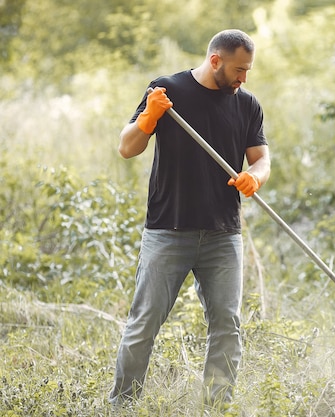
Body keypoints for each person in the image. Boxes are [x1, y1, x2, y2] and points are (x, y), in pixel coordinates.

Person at [109, 29, 270, 408]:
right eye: (238, 70)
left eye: (247, 70)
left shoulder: (247, 105)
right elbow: (127, 148)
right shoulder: (167, 90)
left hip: (223, 234)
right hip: (168, 231)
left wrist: (255, 177)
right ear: (215, 60)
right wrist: (149, 116)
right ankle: (122, 406)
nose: (243, 78)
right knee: (144, 324)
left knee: (227, 327)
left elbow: (261, 158)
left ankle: (217, 407)